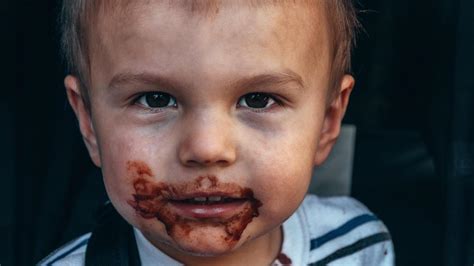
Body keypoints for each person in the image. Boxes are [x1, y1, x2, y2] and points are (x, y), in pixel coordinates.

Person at [40, 0, 394, 265]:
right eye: (155, 99)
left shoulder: (359, 245)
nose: (207, 148)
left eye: (257, 100)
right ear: (88, 122)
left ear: (327, 122)